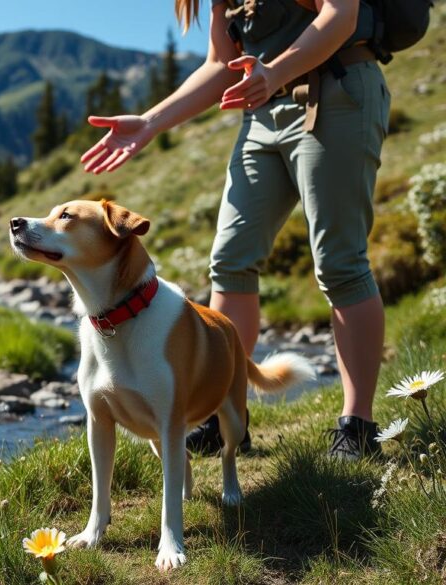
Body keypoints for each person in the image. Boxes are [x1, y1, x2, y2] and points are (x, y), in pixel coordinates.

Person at [80, 0, 390, 460]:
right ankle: (228, 417)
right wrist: (149, 122)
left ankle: (357, 426)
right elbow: (222, 66)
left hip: (338, 90)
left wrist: (275, 70)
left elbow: (340, 15)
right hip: (264, 114)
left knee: (340, 263)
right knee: (230, 262)